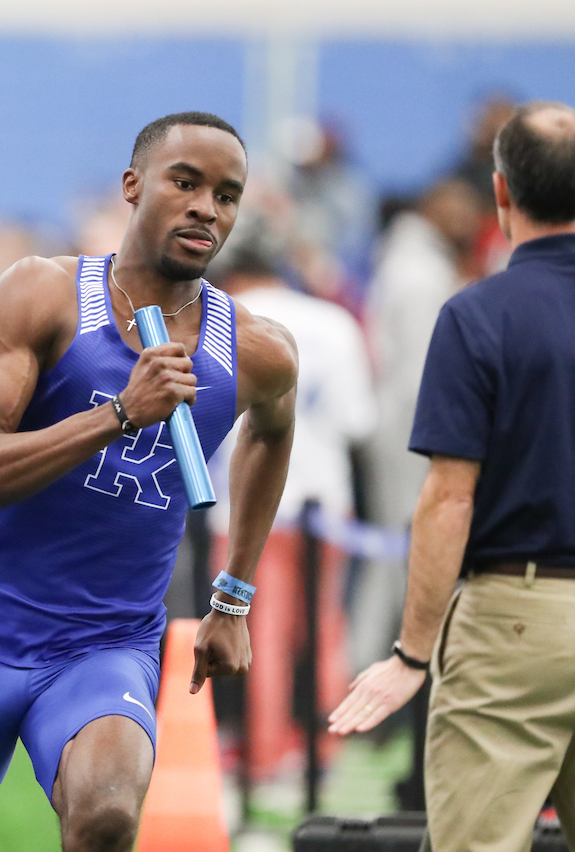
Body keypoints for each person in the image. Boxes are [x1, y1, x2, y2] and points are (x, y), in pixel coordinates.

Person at [0, 111, 298, 852]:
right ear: (133, 187)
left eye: (226, 195)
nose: (206, 208)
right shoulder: (44, 295)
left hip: (108, 647)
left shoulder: (258, 351)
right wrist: (121, 414)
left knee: (105, 817)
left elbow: (271, 430)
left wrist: (233, 595)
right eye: (185, 182)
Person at [330, 101, 575, 852]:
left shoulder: (478, 316)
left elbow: (448, 498)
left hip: (516, 621)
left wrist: (411, 654)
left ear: (500, 195)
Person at [211, 239, 375, 780]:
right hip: (326, 500)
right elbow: (358, 423)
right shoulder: (335, 322)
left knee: (257, 630)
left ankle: (264, 759)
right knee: (325, 625)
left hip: (245, 505)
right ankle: (327, 751)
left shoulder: (223, 317)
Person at [350, 178, 482, 672]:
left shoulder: (412, 261)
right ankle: (373, 673)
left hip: (405, 426)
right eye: (461, 207)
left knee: (398, 553)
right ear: (434, 206)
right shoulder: (419, 271)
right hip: (413, 432)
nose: (469, 220)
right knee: (405, 553)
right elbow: (426, 371)